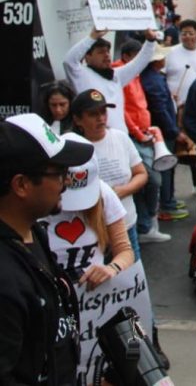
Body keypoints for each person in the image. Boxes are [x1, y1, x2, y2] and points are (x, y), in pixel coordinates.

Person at [0, 113, 93, 385]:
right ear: (21, 185)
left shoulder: (34, 233)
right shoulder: (4, 280)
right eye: (59, 173)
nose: (66, 182)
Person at [43, 133, 134, 288]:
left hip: (92, 298)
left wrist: (112, 268)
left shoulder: (104, 193)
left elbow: (125, 251)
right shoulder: (38, 199)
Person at [71, 89, 148, 260]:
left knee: (131, 275)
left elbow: (141, 173)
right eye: (93, 114)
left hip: (126, 225)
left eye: (103, 112)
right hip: (90, 232)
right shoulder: (72, 147)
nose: (101, 118)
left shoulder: (120, 138)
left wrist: (123, 190)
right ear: (77, 120)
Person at [63, 27, 158, 133]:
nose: (107, 55)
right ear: (87, 57)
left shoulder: (116, 75)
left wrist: (150, 41)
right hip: (96, 138)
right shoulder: (81, 75)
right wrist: (92, 37)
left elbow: (140, 61)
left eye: (108, 51)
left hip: (121, 139)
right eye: (101, 52)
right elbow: (69, 61)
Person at [141, 45, 191, 231]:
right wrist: (174, 131)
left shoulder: (155, 77)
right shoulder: (153, 80)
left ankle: (169, 199)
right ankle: (166, 204)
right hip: (163, 130)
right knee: (166, 167)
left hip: (165, 128)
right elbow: (160, 109)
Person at [165, 19, 196, 111]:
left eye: (191, 33)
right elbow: (161, 77)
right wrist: (167, 95)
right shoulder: (169, 52)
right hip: (173, 105)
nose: (188, 37)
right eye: (184, 34)